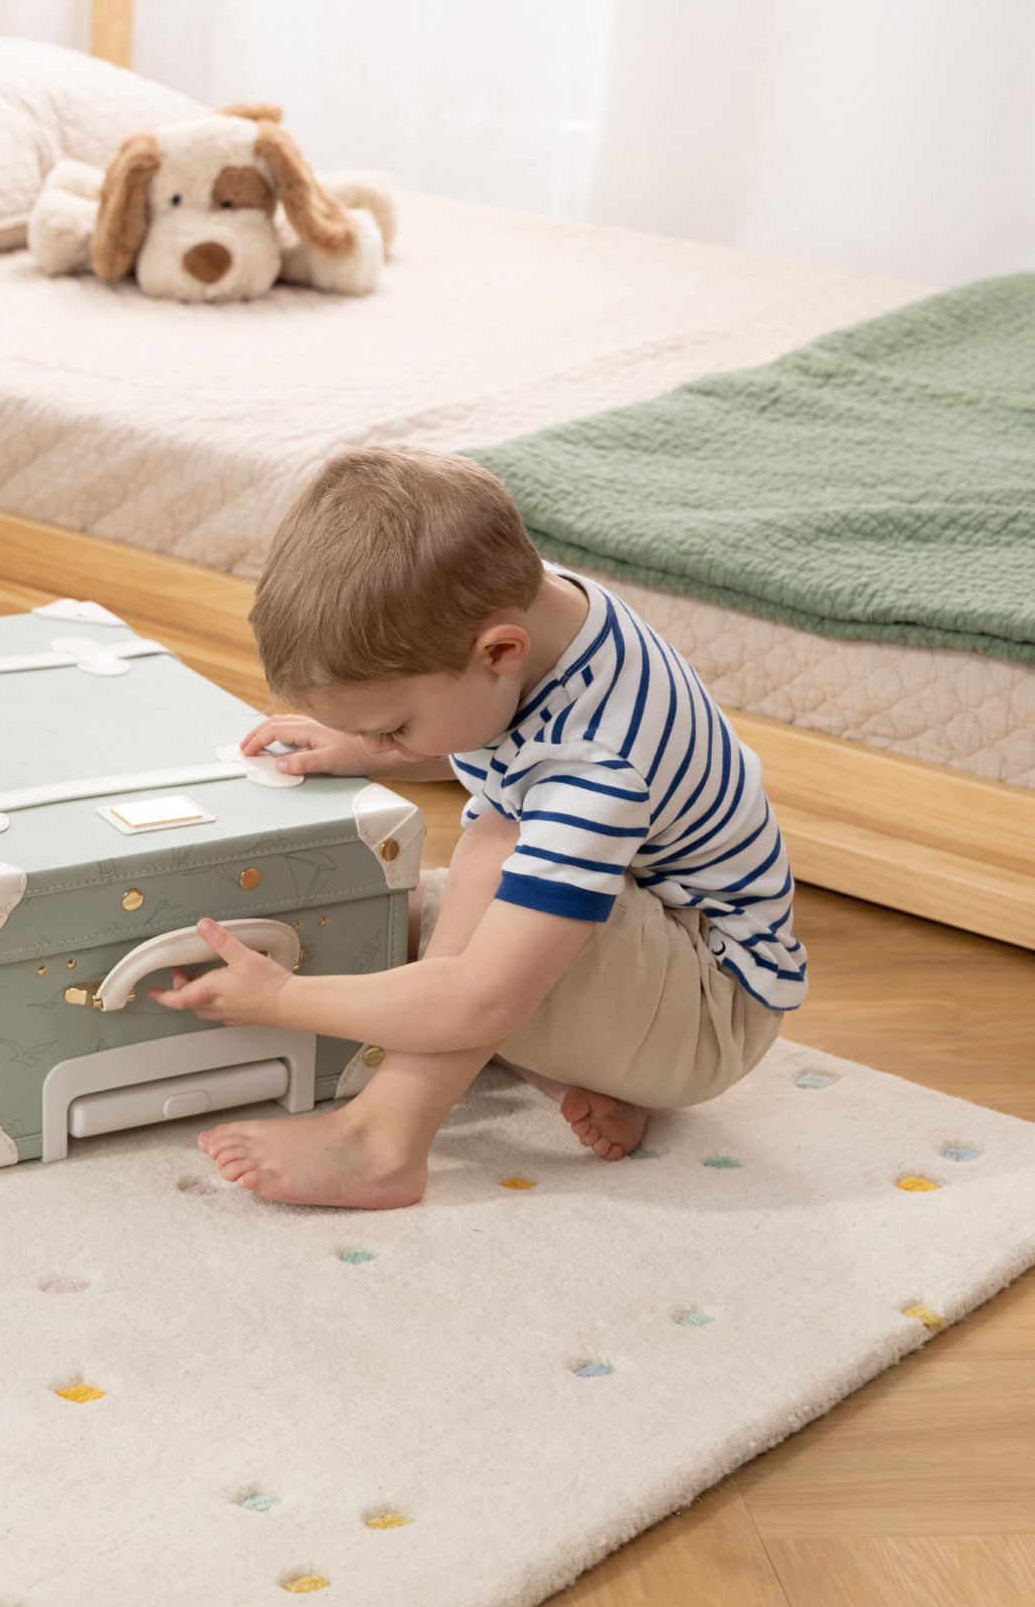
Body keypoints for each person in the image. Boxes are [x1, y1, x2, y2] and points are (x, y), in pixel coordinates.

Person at [152, 446, 805, 1207]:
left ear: (500, 651)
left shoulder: (597, 763)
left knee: (493, 856)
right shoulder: (526, 602)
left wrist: (280, 1000)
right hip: (657, 947)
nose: (388, 746)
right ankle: (587, 1070)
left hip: (708, 1011)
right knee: (412, 917)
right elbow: (496, 734)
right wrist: (369, 747)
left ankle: (382, 1142)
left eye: (396, 726)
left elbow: (479, 1000)